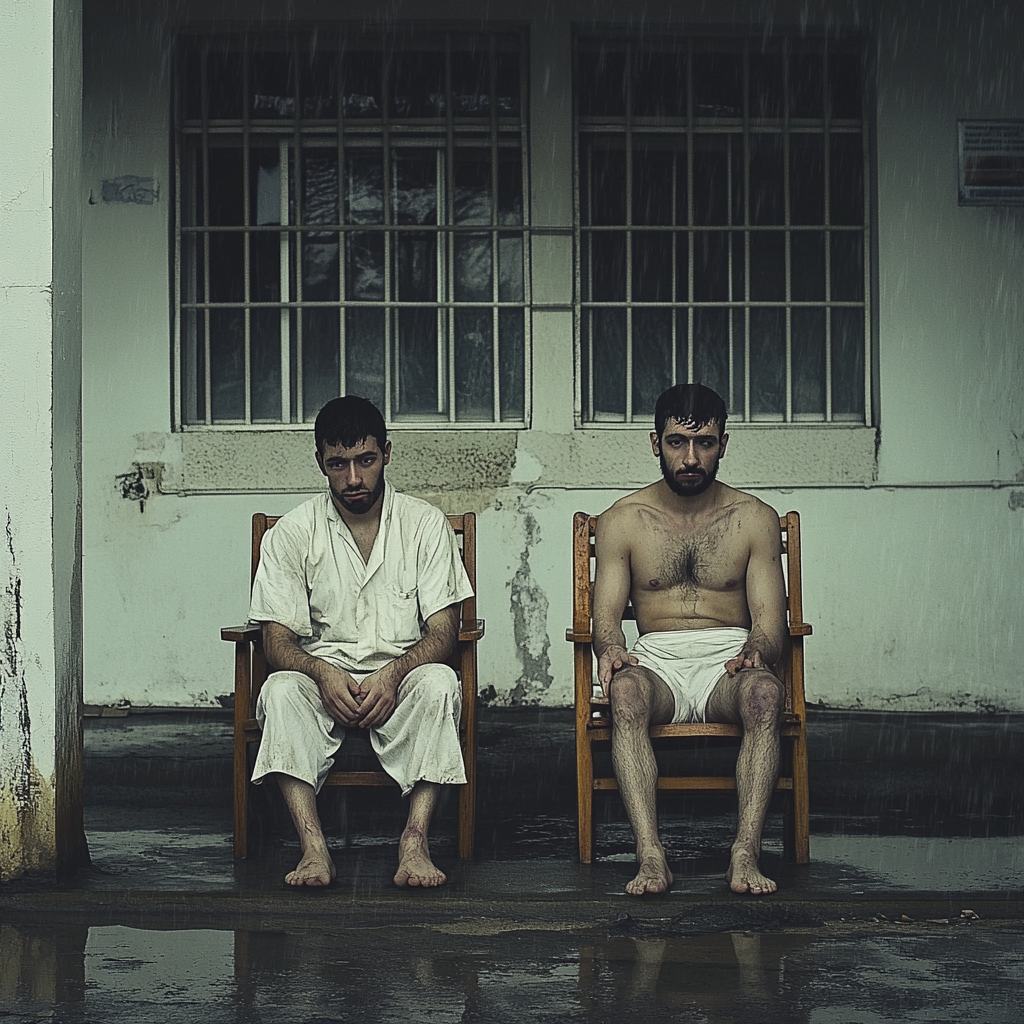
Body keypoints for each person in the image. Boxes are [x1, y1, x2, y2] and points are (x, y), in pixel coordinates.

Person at [248, 396, 474, 889]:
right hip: (322, 676)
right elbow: (276, 642)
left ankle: (414, 842)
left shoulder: (424, 525)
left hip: (402, 674)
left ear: (387, 453)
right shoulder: (292, 533)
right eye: (338, 464)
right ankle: (313, 848)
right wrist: (321, 673)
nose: (353, 478)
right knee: (281, 690)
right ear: (320, 462)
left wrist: (393, 675)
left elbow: (444, 632)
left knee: (438, 683)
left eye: (365, 460)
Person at [592, 383, 788, 897]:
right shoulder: (622, 521)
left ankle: (744, 853)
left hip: (730, 662)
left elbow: (771, 623)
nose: (691, 458)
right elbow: (606, 617)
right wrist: (611, 648)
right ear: (655, 443)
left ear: (724, 443)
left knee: (767, 694)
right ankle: (651, 856)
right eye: (678, 442)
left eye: (704, 443)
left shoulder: (754, 519)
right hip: (657, 661)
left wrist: (758, 652)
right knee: (625, 693)